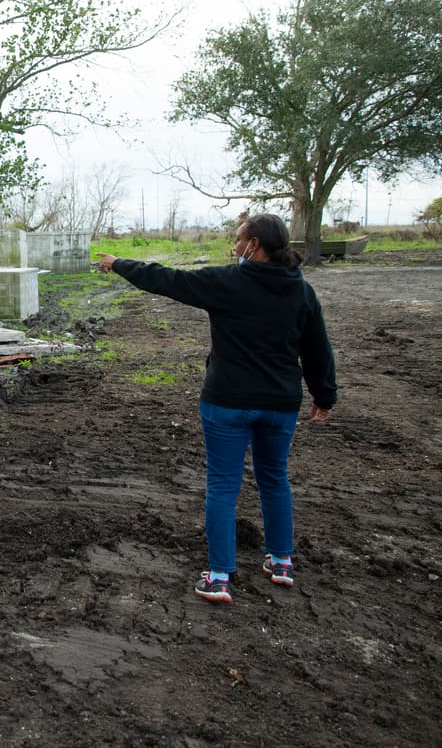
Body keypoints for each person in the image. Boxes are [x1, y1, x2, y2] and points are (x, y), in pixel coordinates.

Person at [94, 214, 337, 605]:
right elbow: (318, 350)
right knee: (274, 478)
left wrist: (119, 263)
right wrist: (324, 398)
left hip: (227, 402)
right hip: (280, 405)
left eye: (239, 239)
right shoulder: (302, 292)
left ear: (254, 245)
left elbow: (168, 280)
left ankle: (220, 576)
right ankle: (281, 562)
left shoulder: (229, 282)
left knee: (223, 484)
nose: (235, 246)